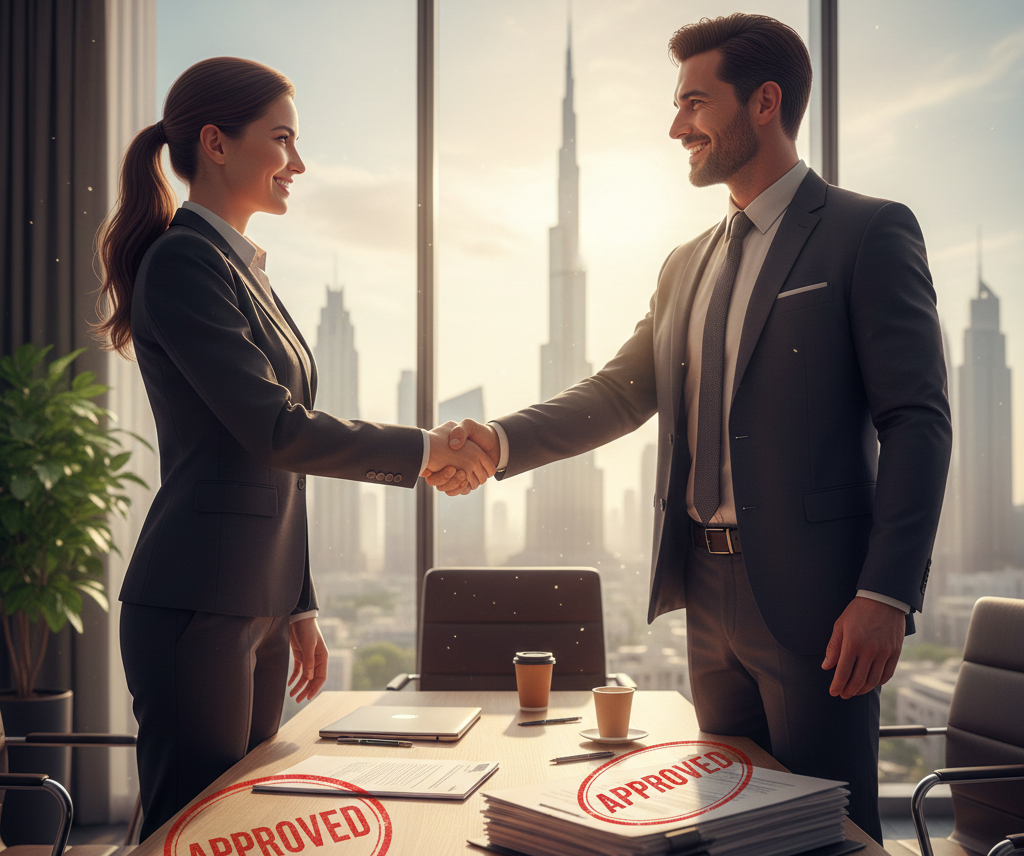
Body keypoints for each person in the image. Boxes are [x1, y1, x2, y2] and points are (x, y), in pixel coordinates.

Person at [428, 14, 951, 841]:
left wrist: (884, 594)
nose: (676, 127)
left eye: (694, 103)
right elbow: (619, 391)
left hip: (820, 605)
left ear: (765, 103)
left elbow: (918, 419)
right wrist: (499, 443)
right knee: (725, 828)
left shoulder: (865, 232)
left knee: (827, 833)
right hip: (704, 594)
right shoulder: (685, 263)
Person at [95, 57, 494, 840]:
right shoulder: (183, 262)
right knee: (190, 826)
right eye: (282, 140)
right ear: (216, 142)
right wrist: (422, 448)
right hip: (198, 602)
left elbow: (279, 465)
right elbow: (275, 429)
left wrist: (298, 599)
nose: (299, 164)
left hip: (258, 600)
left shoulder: (245, 272)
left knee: (243, 825)